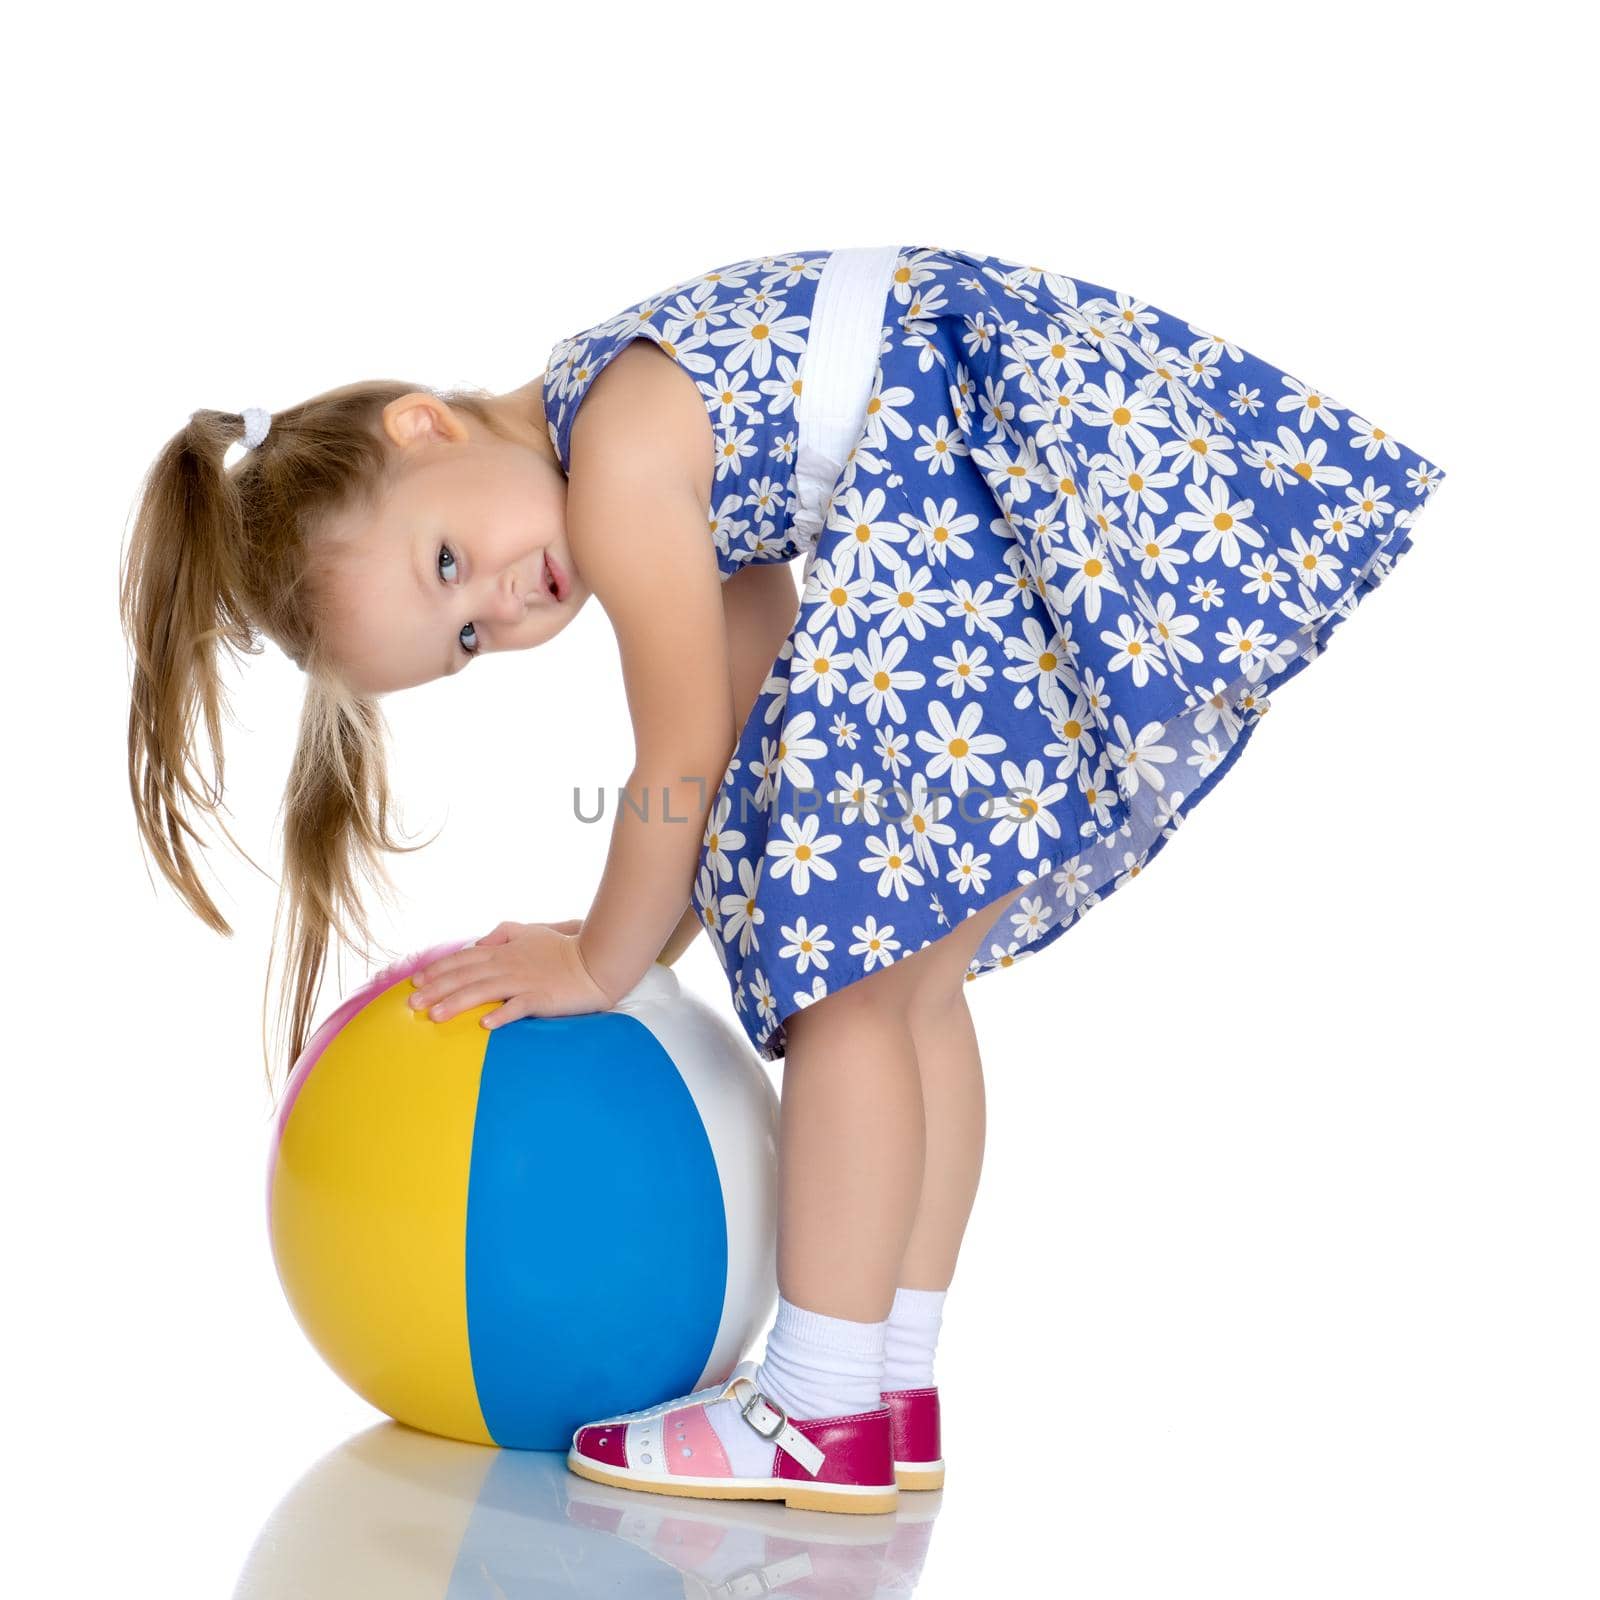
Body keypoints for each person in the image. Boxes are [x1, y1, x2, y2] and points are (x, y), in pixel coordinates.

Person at [119, 243, 1448, 1514]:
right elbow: (745, 704)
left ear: (425, 427)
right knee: (907, 983)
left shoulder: (623, 456)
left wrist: (599, 958)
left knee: (848, 982)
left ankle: (814, 1411)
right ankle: (884, 1384)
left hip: (991, 485)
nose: (509, 610)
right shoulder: (624, 403)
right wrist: (662, 929)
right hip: (991, 489)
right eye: (466, 637)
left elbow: (680, 752)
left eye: (450, 562)